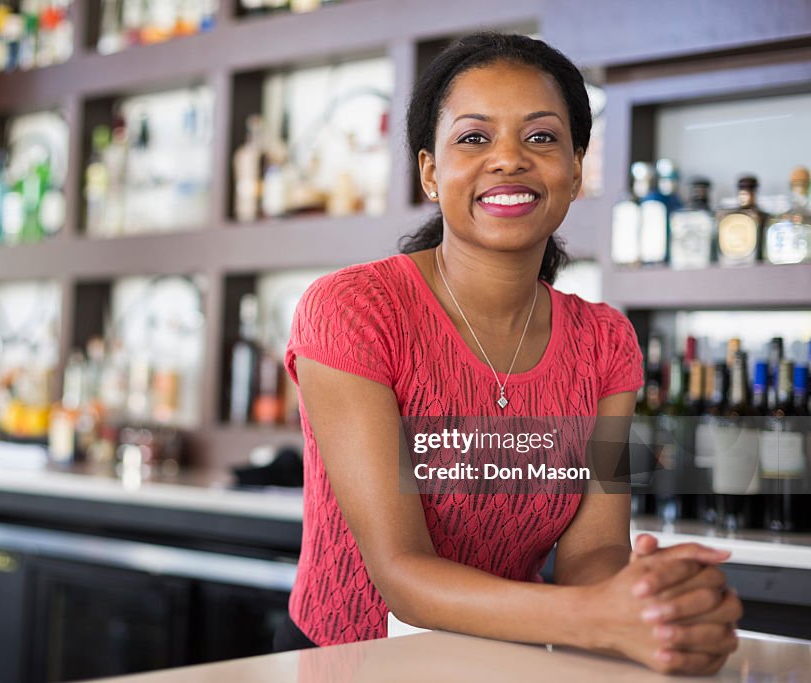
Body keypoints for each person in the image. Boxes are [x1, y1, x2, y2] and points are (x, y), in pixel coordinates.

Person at [274, 33, 741, 675]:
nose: (508, 160)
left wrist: (648, 596)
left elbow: (595, 553)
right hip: (349, 666)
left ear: (576, 171)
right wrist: (599, 618)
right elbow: (400, 575)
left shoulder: (607, 344)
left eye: (542, 138)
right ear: (430, 172)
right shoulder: (354, 310)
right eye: (474, 138)